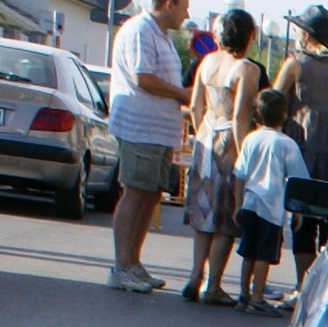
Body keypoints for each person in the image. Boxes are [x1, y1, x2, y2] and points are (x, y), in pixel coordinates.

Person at [270, 4, 328, 287]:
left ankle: (302, 287)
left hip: (305, 152)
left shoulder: (295, 64)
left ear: (307, 34)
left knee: (303, 223)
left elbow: (272, 103)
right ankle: (322, 287)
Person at [104, 0, 189, 294]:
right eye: (184, 7)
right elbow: (144, 78)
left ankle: (133, 263)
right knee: (136, 192)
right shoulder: (140, 29)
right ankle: (121, 267)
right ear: (168, 4)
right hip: (140, 128)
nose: (187, 14)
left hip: (159, 130)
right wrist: (183, 94)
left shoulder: (161, 34)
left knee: (151, 194)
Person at [181, 9, 260, 303]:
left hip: (205, 135)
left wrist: (201, 131)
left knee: (203, 211)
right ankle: (213, 285)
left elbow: (195, 107)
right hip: (227, 139)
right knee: (226, 216)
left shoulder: (207, 62)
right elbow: (240, 117)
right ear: (249, 35)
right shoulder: (246, 69)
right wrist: (243, 155)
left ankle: (194, 276)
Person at [231, 85, 299, 314]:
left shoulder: (250, 139)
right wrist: (297, 211)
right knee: (264, 253)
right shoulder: (287, 143)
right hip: (272, 205)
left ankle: (243, 295)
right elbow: (297, 179)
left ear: (258, 113)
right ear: (285, 114)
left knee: (248, 251)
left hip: (250, 202)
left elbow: (239, 174)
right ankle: (258, 297)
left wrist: (238, 203)